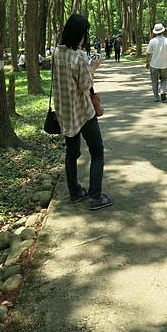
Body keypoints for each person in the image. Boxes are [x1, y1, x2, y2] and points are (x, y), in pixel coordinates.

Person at [52, 14, 113, 210]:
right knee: (97, 152)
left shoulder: (56, 53)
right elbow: (85, 85)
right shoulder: (79, 57)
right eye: (85, 33)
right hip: (83, 112)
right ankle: (95, 197)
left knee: (72, 152)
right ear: (80, 35)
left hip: (65, 112)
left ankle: (75, 191)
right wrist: (93, 67)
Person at [146, 23, 167, 102]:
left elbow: (148, 53)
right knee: (164, 79)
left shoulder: (152, 41)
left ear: (155, 32)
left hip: (154, 64)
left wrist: (147, 62)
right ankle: (162, 91)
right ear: (163, 31)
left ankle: (156, 97)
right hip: (164, 65)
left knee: (154, 81)